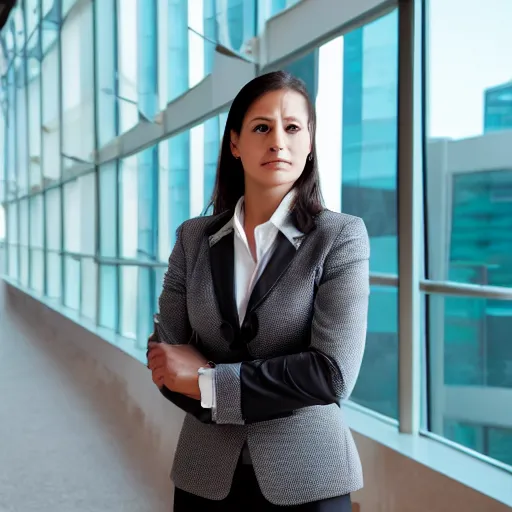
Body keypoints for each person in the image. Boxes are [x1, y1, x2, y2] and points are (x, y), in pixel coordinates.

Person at [147, 70, 370, 511]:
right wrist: (199, 380)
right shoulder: (193, 239)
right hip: (205, 472)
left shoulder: (341, 236)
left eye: (292, 128)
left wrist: (209, 383)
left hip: (308, 475)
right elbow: (166, 357)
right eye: (262, 127)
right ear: (235, 143)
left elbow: (331, 373)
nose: (278, 142)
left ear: (309, 142)